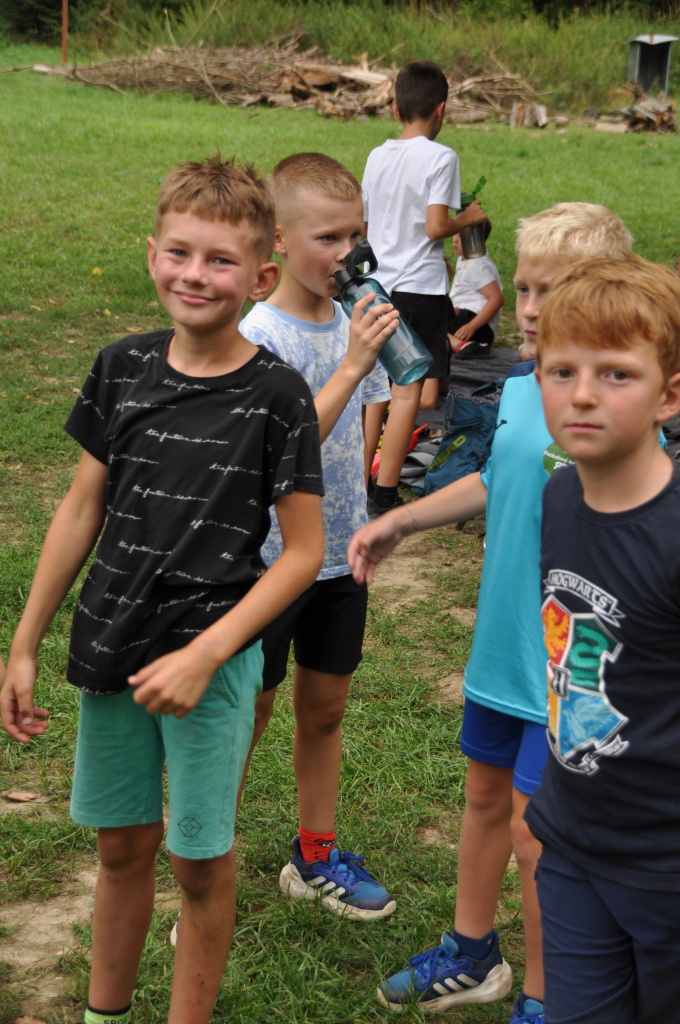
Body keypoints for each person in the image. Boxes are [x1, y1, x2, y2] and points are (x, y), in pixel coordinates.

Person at [0, 156, 325, 1024]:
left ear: (261, 277)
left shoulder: (278, 396)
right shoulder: (121, 367)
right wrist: (25, 643)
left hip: (209, 664)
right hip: (111, 644)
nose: (195, 274)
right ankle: (102, 1014)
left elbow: (302, 554)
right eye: (179, 252)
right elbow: (81, 508)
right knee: (120, 849)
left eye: (221, 260)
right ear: (151, 255)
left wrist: (208, 654)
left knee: (198, 863)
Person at [347, 203, 632, 1023]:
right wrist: (403, 518)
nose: (530, 309)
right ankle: (472, 953)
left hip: (569, 669)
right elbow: (496, 479)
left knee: (536, 836)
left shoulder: (614, 413)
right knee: (482, 799)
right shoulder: (518, 387)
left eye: (553, 292)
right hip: (501, 650)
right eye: (526, 289)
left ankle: (547, 995)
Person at [238, 152, 398, 921]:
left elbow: (365, 422)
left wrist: (366, 514)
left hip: (341, 556)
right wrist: (354, 361)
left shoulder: (350, 320)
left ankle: (315, 853)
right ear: (278, 238)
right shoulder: (258, 335)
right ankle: (206, 861)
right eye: (328, 238)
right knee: (248, 714)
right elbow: (283, 452)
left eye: (355, 236)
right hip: (270, 565)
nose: (346, 254)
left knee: (326, 707)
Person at [526, 255, 680, 1024]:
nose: (582, 395)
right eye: (563, 372)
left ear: (669, 396)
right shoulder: (559, 496)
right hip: (574, 842)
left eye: (616, 374)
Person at [362, 60, 486, 516]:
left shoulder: (377, 155)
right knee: (406, 393)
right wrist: (468, 218)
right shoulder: (441, 157)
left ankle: (359, 480)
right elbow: (436, 227)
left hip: (376, 286)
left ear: (396, 110)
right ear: (441, 109)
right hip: (420, 288)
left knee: (374, 390)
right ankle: (384, 493)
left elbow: (366, 226)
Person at [448, 220, 504, 360]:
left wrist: (471, 327)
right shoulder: (465, 259)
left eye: (461, 236)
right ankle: (459, 344)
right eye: (455, 233)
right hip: (468, 320)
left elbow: (497, 299)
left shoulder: (477, 264)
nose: (455, 239)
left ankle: (456, 343)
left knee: (427, 321)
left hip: (476, 325)